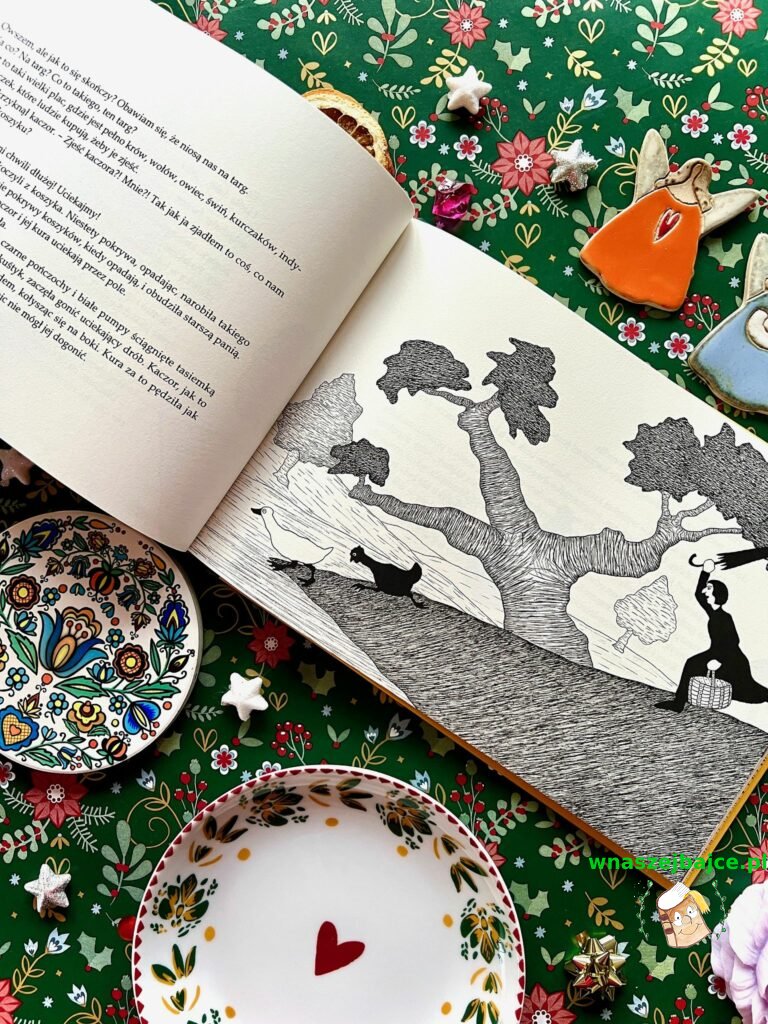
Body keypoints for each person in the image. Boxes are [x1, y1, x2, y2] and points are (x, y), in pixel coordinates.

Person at [656, 556, 768, 712]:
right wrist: (705, 572)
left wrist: (718, 660)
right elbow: (698, 594)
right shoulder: (713, 612)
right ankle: (678, 703)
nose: (704, 590)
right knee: (692, 664)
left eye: (708, 588)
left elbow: (733, 642)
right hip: (716, 653)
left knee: (748, 691)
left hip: (732, 658)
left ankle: (679, 703)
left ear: (716, 593)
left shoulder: (724, 617)